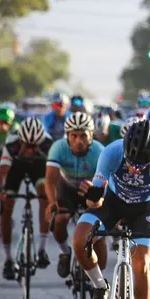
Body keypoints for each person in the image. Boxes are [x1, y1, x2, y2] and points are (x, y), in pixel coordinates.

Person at [72, 119, 150, 299]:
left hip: (144, 209)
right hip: (112, 203)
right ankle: (99, 285)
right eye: (132, 162)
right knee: (79, 240)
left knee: (142, 262)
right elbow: (95, 198)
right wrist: (92, 198)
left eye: (142, 164)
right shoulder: (112, 151)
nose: (136, 169)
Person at [44, 112, 106, 279]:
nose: (79, 141)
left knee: (100, 234)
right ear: (67, 136)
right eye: (74, 136)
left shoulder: (100, 151)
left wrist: (102, 202)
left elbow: (109, 184)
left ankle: (97, 277)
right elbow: (50, 180)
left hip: (91, 190)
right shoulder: (58, 147)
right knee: (60, 218)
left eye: (84, 136)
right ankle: (64, 252)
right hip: (67, 189)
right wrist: (52, 203)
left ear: (91, 136)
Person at [0, 118, 54, 279]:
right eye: (26, 145)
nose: (30, 150)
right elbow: (3, 171)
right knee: (6, 205)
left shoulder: (48, 144)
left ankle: (42, 249)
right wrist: (0, 190)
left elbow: (54, 173)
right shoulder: (12, 143)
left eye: (34, 146)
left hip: (39, 166)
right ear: (20, 140)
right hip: (17, 166)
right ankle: (8, 259)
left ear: (40, 142)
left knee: (45, 196)